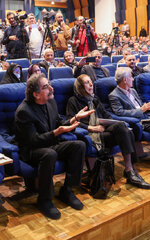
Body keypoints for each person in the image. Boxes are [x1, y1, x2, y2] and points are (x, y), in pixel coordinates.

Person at [14, 73, 94, 219]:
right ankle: (44, 199)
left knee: (79, 146)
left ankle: (67, 190)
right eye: (46, 87)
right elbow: (33, 141)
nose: (51, 88)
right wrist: (56, 132)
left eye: (49, 84)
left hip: (50, 143)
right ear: (36, 94)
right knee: (49, 154)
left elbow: (58, 123)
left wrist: (74, 118)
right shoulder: (24, 111)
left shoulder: (50, 102)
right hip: (31, 150)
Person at [66, 74, 150, 189]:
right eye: (87, 82)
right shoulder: (73, 101)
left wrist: (110, 122)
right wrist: (90, 128)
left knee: (123, 128)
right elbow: (71, 121)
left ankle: (131, 170)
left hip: (103, 128)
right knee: (127, 131)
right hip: (91, 134)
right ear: (80, 87)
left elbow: (106, 114)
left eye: (91, 81)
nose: (91, 84)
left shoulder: (94, 99)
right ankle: (131, 171)